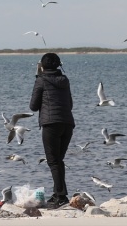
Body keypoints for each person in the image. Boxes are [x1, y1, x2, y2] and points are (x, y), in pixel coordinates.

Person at [29, 52, 75, 209]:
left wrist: (38, 83)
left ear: (42, 66)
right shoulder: (65, 80)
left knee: (53, 161)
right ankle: (58, 193)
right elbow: (70, 104)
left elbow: (33, 106)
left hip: (50, 124)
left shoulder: (41, 80)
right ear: (58, 65)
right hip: (68, 123)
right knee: (58, 160)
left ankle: (61, 196)